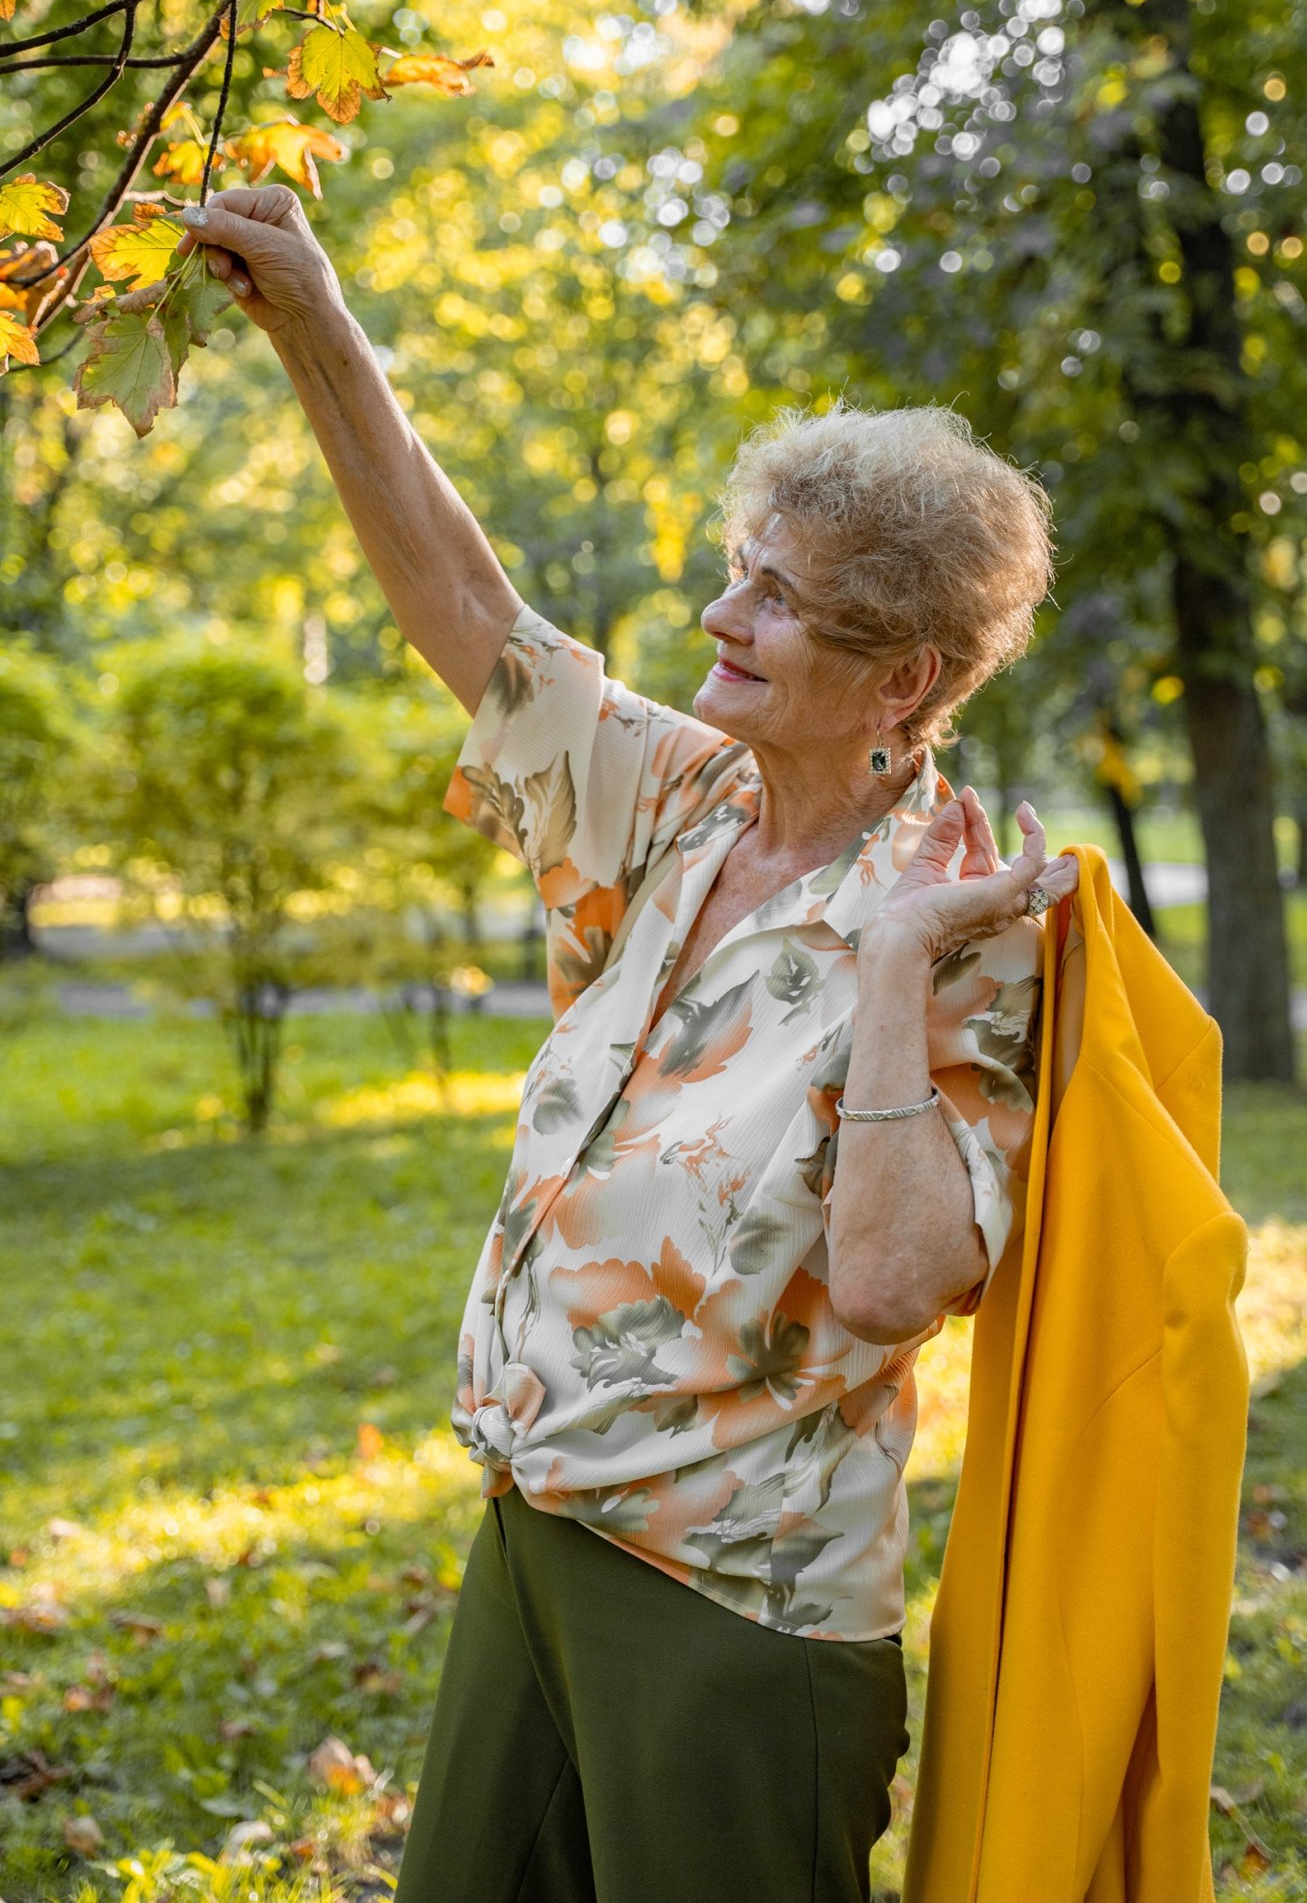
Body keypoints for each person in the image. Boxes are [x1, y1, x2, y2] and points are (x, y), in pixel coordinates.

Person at [178, 187, 1080, 1903]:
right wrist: (310, 319)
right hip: (537, 1528)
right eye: (739, 570)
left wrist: (893, 971)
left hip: (737, 1607)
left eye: (779, 600)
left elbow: (898, 1282)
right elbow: (467, 603)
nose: (722, 617)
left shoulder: (970, 930)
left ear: (902, 680)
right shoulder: (679, 798)